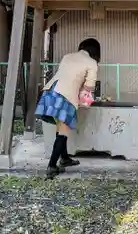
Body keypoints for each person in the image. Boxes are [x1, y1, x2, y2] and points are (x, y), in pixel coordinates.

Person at [35, 38, 100, 179]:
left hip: (49, 92)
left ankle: (64, 158)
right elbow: (89, 86)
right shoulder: (92, 62)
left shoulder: (67, 56)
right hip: (65, 97)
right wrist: (85, 98)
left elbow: (65, 76)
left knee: (60, 128)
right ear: (96, 51)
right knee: (63, 132)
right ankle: (52, 166)